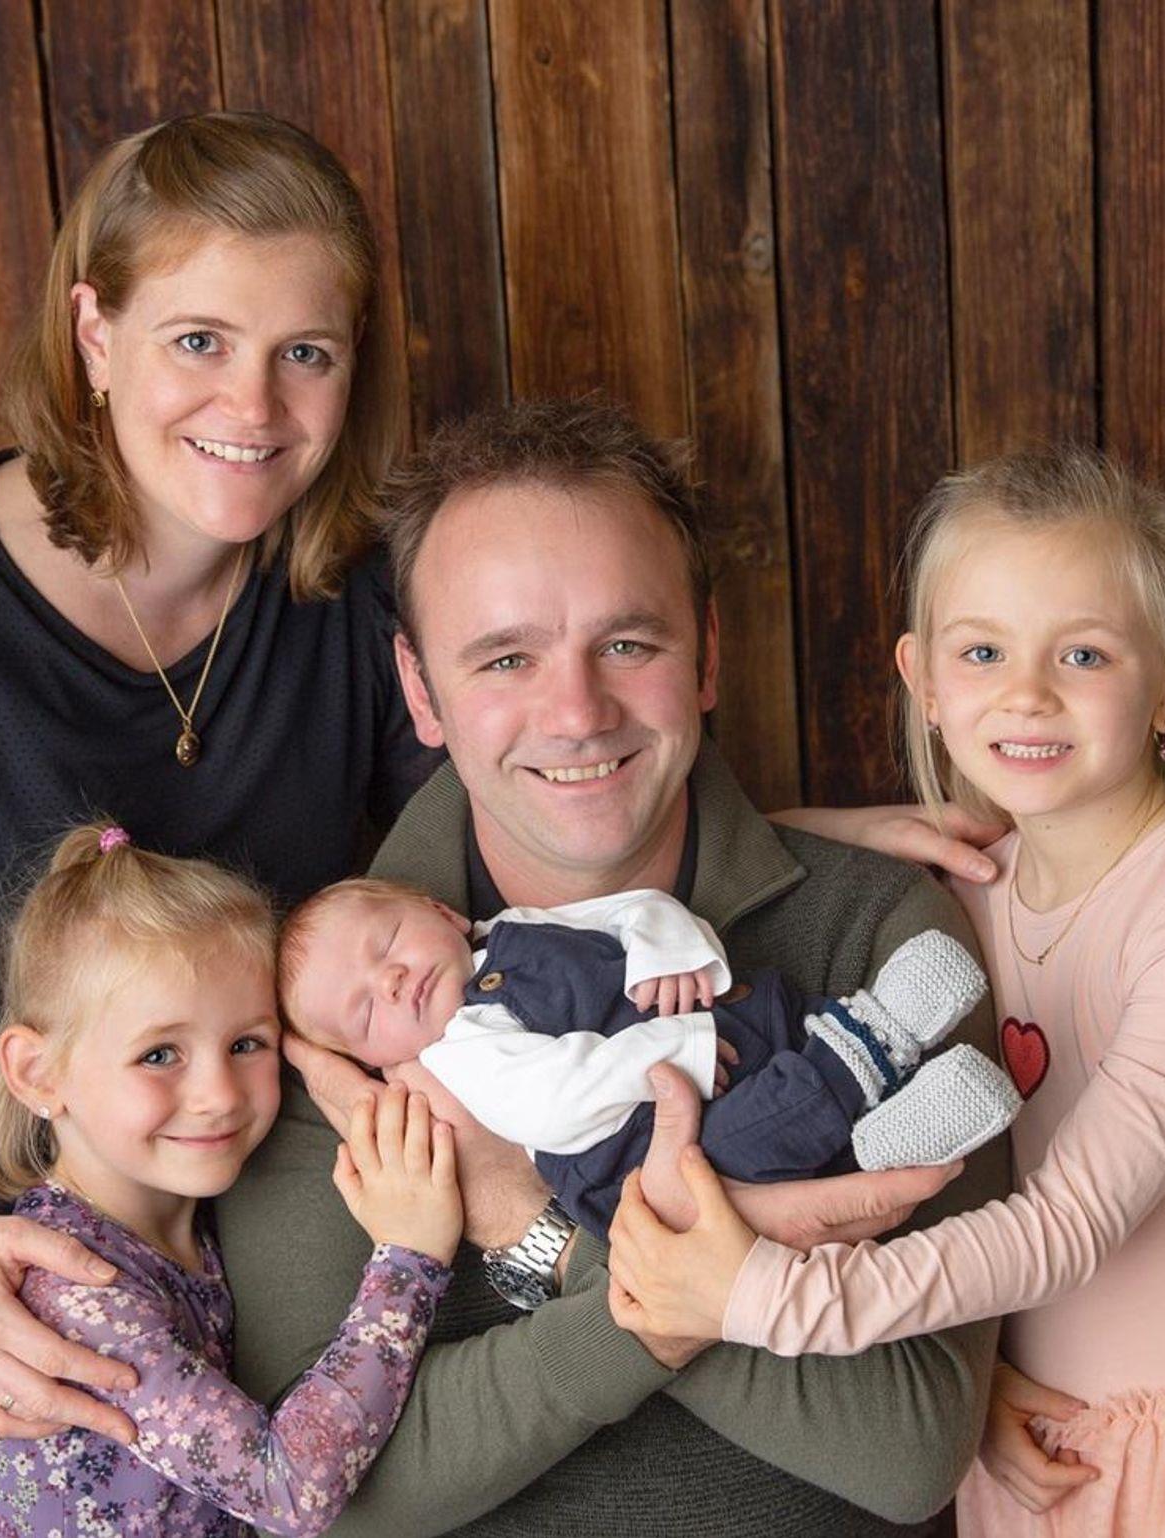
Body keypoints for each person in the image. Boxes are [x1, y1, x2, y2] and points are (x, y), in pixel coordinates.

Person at [0, 112, 997, 1527]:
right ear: (93, 333)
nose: (255, 402)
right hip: (16, 1297)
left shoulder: (332, 602)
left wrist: (780, 839)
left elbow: (531, 776)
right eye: (198, 340)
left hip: (233, 1255)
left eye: (307, 353)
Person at [600, 449, 1165, 1537]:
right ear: (923, 680)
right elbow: (728, 854)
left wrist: (765, 1296)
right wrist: (855, 829)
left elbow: (1070, 1224)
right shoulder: (969, 893)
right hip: (1044, 1459)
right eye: (982, 652)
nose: (1026, 692)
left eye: (1083, 653)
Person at [219, 396, 1016, 1536]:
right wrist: (668, 1282)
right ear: (420, 690)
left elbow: (906, 1448)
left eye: (627, 645)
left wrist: (519, 1213)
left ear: (707, 654)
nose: (577, 713)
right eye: (505, 658)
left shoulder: (884, 932)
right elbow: (333, 1499)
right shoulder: (330, 1014)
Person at [0, 823, 458, 1537]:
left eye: (247, 1043)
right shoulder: (73, 1293)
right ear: (38, 1074)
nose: (220, 1095)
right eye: (160, 1054)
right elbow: (287, 1491)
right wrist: (411, 1258)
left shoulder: (185, 1219)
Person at [278, 876, 1018, 1232]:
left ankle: (877, 1057)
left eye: (387, 944)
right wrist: (675, 1053)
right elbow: (556, 1099)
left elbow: (631, 909)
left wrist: (669, 953)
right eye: (366, 1012)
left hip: (724, 1034)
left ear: (439, 912)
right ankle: (874, 1067)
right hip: (644, 1146)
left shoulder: (511, 929)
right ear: (378, 1061)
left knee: (782, 1022)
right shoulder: (459, 1052)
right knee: (747, 1142)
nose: (391, 981)